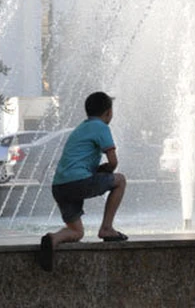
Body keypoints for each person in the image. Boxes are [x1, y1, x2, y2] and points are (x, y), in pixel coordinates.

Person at [39, 91, 128, 272]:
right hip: (78, 182)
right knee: (120, 181)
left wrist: (97, 172)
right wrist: (106, 172)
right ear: (108, 113)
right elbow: (113, 162)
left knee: (77, 232)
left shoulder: (81, 127)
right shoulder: (102, 127)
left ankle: (52, 239)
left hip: (60, 186)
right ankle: (107, 228)